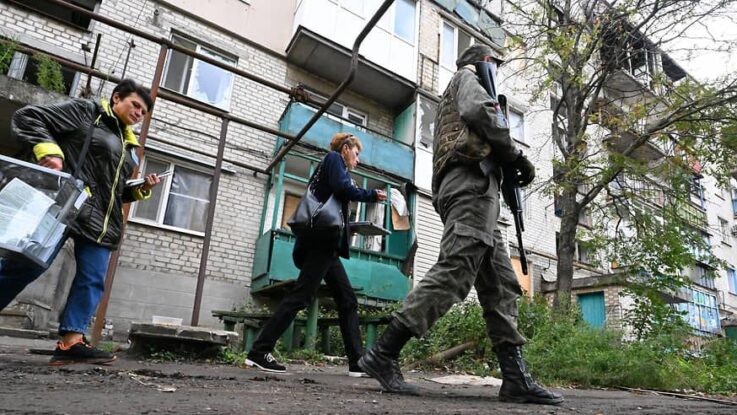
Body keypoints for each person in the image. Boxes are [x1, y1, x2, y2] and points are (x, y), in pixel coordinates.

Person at [358, 45, 564, 405]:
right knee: (457, 267)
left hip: (478, 192)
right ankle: (384, 352)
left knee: (501, 284)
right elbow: (478, 111)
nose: (496, 72)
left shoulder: (465, 85)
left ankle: (515, 378)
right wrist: (514, 154)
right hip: (470, 188)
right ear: (484, 63)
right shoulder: (467, 78)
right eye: (495, 65)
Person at [0, 79, 161, 366]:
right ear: (116, 98)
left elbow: (114, 187)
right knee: (25, 267)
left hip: (101, 219)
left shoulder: (128, 145)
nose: (139, 114)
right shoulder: (87, 112)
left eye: (143, 112)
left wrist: (139, 189)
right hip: (66, 205)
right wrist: (49, 150)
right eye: (135, 105)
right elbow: (29, 117)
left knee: (92, 279)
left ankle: (71, 342)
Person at [245, 132, 387, 376]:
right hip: (320, 244)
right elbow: (343, 190)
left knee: (347, 300)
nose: (358, 160)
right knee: (300, 296)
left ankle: (357, 363)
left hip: (327, 246)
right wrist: (372, 195)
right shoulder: (333, 159)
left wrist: (357, 227)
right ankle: (260, 351)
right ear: (345, 148)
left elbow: (335, 210)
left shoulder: (338, 169)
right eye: (356, 153)